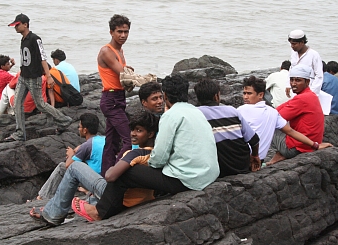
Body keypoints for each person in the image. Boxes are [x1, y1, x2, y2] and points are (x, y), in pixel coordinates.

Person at [72, 74, 220, 222]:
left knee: (127, 172)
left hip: (188, 180)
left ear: (166, 95)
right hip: (209, 174)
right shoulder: (196, 112)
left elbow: (159, 159)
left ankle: (100, 211)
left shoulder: (170, 116)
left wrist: (143, 160)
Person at [29, 110, 159, 226]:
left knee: (75, 167)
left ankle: (52, 214)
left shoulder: (134, 154)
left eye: (139, 130)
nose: (133, 134)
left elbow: (110, 176)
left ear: (150, 134)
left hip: (119, 197)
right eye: (132, 130)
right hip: (139, 198)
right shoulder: (156, 154)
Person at [5, 13, 72, 142]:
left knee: (40, 104)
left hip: (34, 78)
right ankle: (19, 133)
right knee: (17, 103)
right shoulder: (23, 40)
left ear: (25, 24)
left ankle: (64, 120)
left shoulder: (35, 39)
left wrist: (49, 76)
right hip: (23, 76)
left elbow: (43, 58)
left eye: (17, 25)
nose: (16, 28)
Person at [237, 75, 333, 165]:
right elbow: (290, 131)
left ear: (261, 95)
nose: (245, 97)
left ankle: (281, 153)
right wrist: (315, 145)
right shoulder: (273, 113)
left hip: (245, 159)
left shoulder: (241, 110)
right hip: (260, 158)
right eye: (244, 93)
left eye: (249, 94)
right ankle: (279, 154)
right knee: (273, 124)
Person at [194, 78, 261, 176]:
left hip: (219, 169)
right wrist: (255, 155)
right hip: (242, 164)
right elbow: (254, 140)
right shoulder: (232, 111)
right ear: (216, 96)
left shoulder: (196, 114)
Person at [268, 64, 332, 166]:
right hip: (310, 143)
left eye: (298, 80)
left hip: (298, 148)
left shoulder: (302, 99)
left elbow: (275, 117)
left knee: (267, 124)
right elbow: (280, 108)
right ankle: (280, 153)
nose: (293, 83)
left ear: (307, 82)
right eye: (292, 80)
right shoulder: (310, 96)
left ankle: (278, 153)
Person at [34, 113, 105, 201]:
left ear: (85, 130)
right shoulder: (103, 139)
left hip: (94, 181)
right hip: (104, 179)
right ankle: (85, 190)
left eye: (80, 127)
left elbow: (69, 166)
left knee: (62, 167)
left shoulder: (87, 146)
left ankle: (42, 197)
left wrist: (71, 154)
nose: (78, 129)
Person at [98, 14, 133, 177]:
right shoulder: (107, 51)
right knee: (128, 140)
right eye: (119, 32)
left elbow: (123, 72)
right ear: (111, 32)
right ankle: (115, 174)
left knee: (111, 142)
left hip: (118, 98)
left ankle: (105, 175)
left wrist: (129, 71)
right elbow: (123, 74)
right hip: (111, 99)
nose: (123, 35)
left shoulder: (120, 50)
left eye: (126, 32)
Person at [285, 29, 323, 97]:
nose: (292, 46)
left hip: (309, 89)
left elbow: (319, 76)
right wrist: (288, 85)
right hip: (295, 89)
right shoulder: (293, 53)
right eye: (291, 44)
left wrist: (312, 92)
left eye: (294, 44)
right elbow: (292, 69)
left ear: (302, 42)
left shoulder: (314, 55)